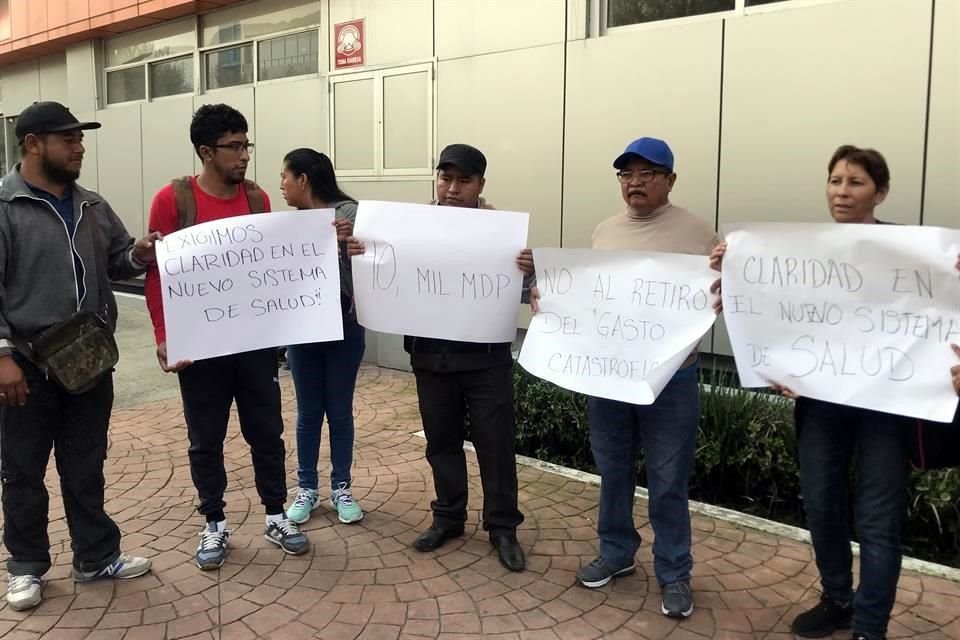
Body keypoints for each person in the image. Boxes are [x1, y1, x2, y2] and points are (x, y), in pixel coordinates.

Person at [710, 145, 954, 640]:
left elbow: (942, 311)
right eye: (835, 180)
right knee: (822, 505)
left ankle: (869, 627)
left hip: (887, 408)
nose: (843, 192)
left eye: (856, 182)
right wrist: (732, 270)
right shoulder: (800, 250)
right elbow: (774, 315)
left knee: (877, 521)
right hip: (822, 403)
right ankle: (837, 598)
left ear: (880, 193)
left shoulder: (915, 252)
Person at [544, 137, 718, 619]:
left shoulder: (699, 232)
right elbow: (590, 297)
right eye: (626, 175)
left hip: (672, 380)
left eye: (647, 174)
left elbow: (719, 293)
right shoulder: (604, 231)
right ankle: (617, 552)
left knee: (667, 480)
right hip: (610, 376)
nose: (635, 183)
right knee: (613, 471)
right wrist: (553, 303)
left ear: (670, 180)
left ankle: (674, 573)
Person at [347, 143, 534, 572]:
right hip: (432, 360)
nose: (452, 188)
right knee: (442, 444)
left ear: (480, 185)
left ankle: (502, 527)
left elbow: (525, 293)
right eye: (445, 178)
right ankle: (448, 517)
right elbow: (383, 275)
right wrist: (361, 257)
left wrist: (528, 271)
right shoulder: (406, 229)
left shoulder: (500, 233)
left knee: (496, 447)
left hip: (486, 362)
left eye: (463, 180)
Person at [0, 101, 156, 611]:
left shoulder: (91, 204)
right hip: (25, 365)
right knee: (23, 471)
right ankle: (26, 567)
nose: (79, 146)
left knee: (86, 465)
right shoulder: (5, 206)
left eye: (80, 138)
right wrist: (2, 356)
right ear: (33, 143)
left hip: (89, 362)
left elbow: (117, 259)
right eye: (68, 138)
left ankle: (96, 556)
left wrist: (140, 253)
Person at [144, 104, 309, 571]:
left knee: (267, 432)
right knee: (205, 439)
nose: (244, 156)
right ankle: (213, 523)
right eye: (234, 147)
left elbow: (272, 269)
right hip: (200, 348)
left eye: (246, 145)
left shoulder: (258, 201)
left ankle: (276, 515)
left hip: (254, 345)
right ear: (205, 151)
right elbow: (157, 275)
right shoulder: (173, 202)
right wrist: (163, 334)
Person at [279, 149, 365, 525]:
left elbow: (374, 264)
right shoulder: (290, 225)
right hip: (303, 327)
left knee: (340, 410)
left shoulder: (350, 213)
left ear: (303, 180)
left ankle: (342, 487)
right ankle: (307, 489)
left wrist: (349, 246)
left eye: (285, 176)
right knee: (308, 410)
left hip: (345, 326)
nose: (281, 184)